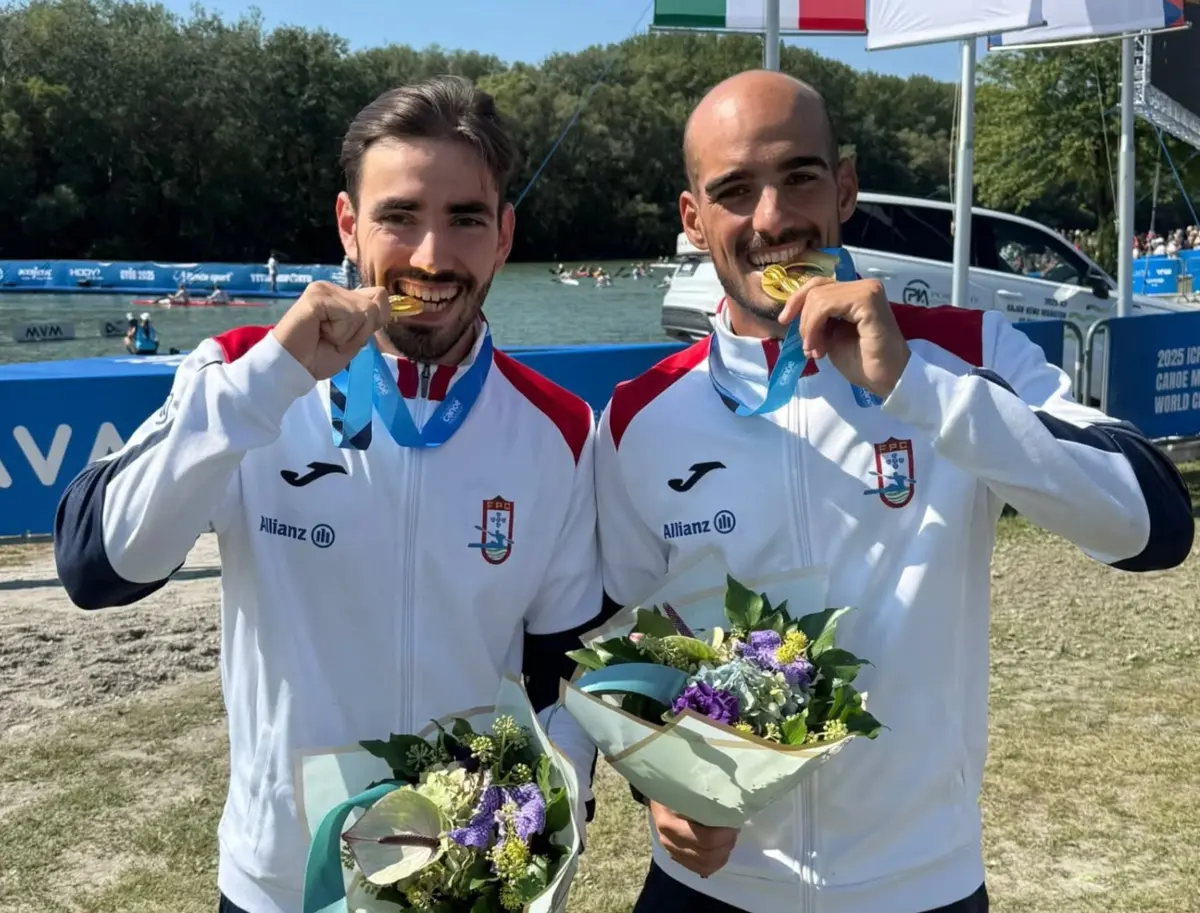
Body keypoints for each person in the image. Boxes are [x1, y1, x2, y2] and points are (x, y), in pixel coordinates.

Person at [594, 70, 1194, 913]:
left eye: (799, 175)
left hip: (921, 887)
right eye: (734, 190)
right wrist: (655, 778)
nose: (772, 219)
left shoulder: (965, 351)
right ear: (694, 219)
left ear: (843, 186)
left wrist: (917, 387)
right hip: (710, 892)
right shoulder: (638, 414)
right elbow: (624, 631)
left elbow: (1153, 523)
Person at [54, 76, 602, 913]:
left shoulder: (561, 428)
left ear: (503, 237)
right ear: (349, 226)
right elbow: (99, 565)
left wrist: (555, 825)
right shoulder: (243, 374)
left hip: (468, 884)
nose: (430, 256)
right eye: (398, 216)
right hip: (281, 885)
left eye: (465, 218)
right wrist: (264, 384)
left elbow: (558, 671)